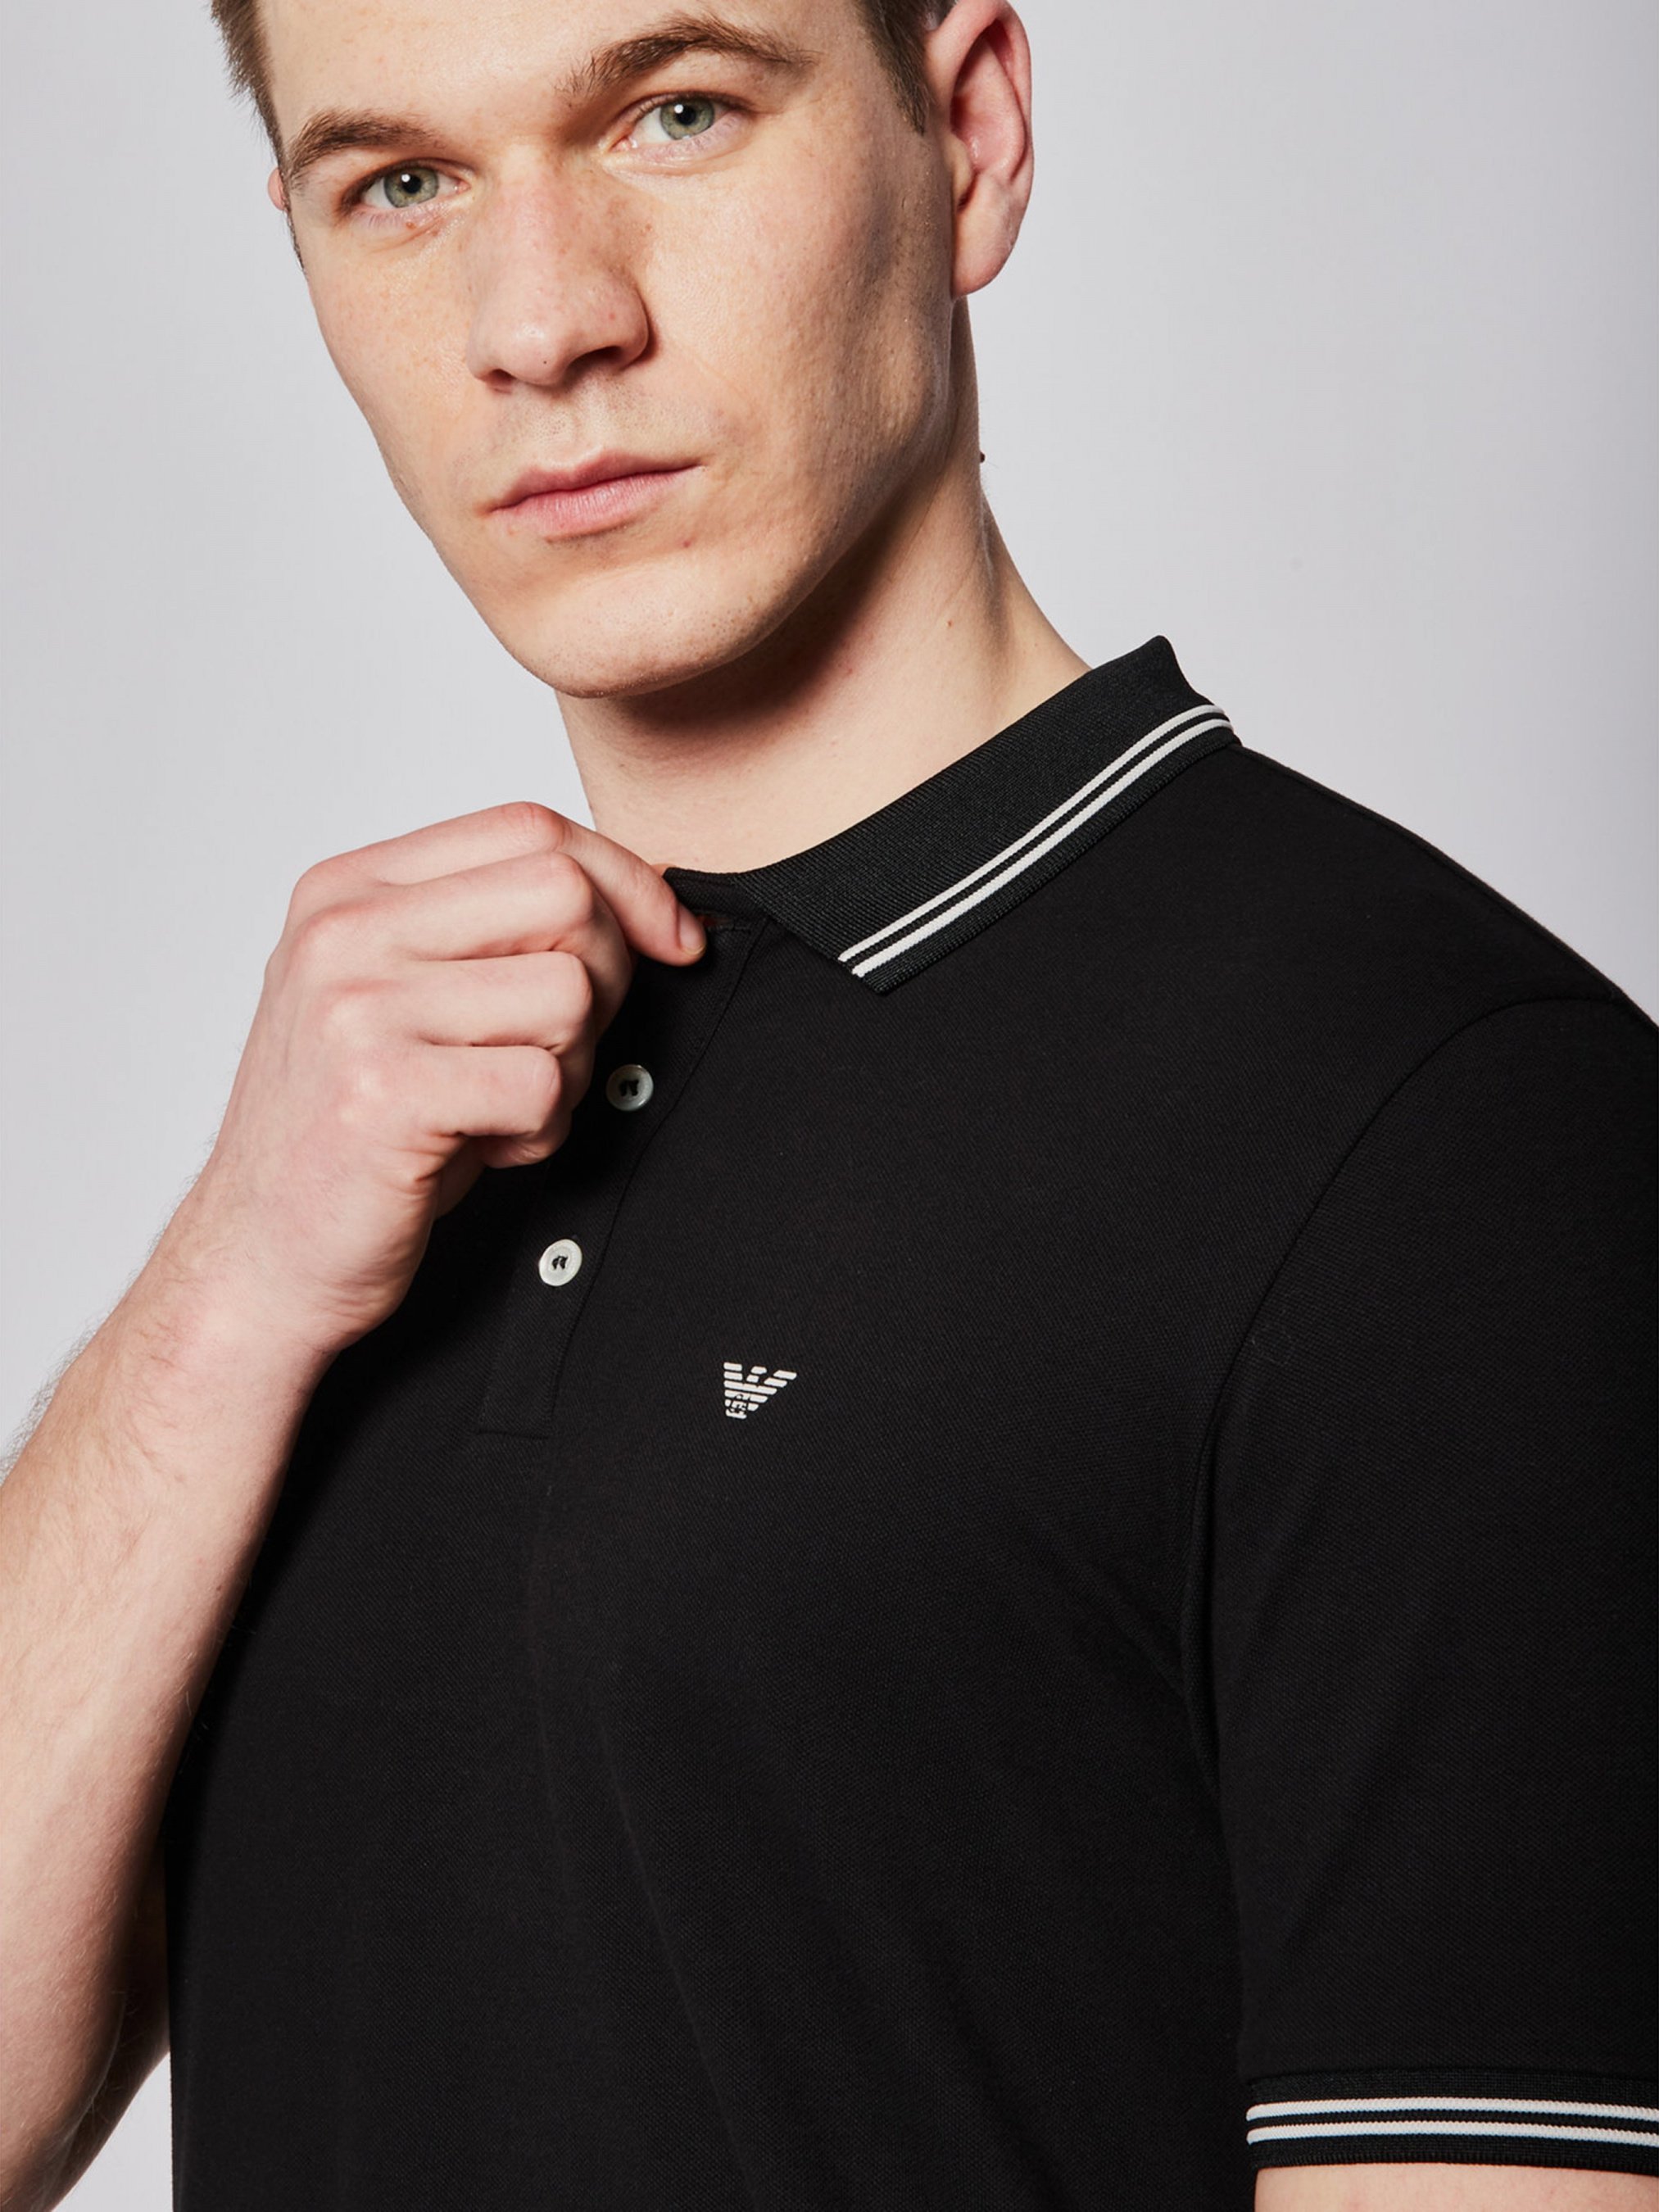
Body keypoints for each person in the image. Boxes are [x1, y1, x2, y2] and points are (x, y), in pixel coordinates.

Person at [1, 0, 1653, 2203]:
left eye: (675, 112)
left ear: (965, 132)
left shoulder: (1452, 1137)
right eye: (400, 182)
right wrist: (232, 1274)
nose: (540, 322)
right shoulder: (358, 1156)